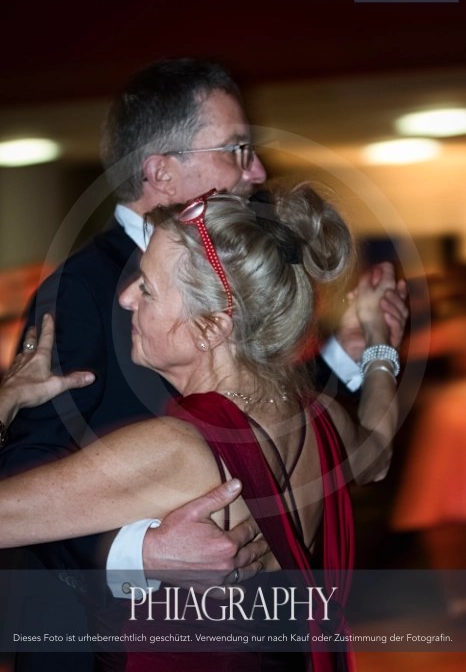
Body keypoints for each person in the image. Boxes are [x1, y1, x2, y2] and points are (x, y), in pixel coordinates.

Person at [0, 58, 407, 671]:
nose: (257, 170)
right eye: (236, 149)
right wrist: (136, 553)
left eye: (148, 289)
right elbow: (360, 442)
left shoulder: (179, 441)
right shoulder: (79, 290)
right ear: (161, 170)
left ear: (217, 322)